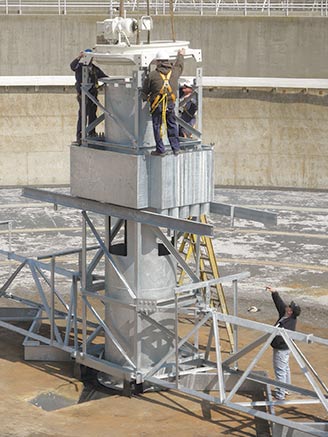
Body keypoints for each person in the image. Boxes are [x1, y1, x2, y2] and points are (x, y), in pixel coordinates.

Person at [141, 48, 185, 156]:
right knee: (172, 125)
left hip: (157, 106)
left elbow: (145, 91)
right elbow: (180, 65)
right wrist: (180, 55)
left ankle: (160, 150)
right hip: (170, 105)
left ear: (158, 62)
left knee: (157, 127)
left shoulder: (152, 75)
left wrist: (145, 98)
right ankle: (176, 148)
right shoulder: (175, 72)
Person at [266, 286, 301, 400]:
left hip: (281, 349)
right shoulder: (285, 314)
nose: (287, 306)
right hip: (286, 348)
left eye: (289, 307)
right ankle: (286, 389)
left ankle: (280, 394)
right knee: (285, 368)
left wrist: (273, 341)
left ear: (290, 312)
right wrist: (274, 292)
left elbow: (281, 336)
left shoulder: (288, 322)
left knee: (280, 370)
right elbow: (279, 303)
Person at [70, 49, 108, 145]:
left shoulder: (94, 69)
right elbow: (72, 66)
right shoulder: (80, 67)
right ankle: (80, 137)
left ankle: (91, 133)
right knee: (83, 116)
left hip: (93, 96)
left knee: (92, 115)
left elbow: (104, 77)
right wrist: (79, 57)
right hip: (83, 96)